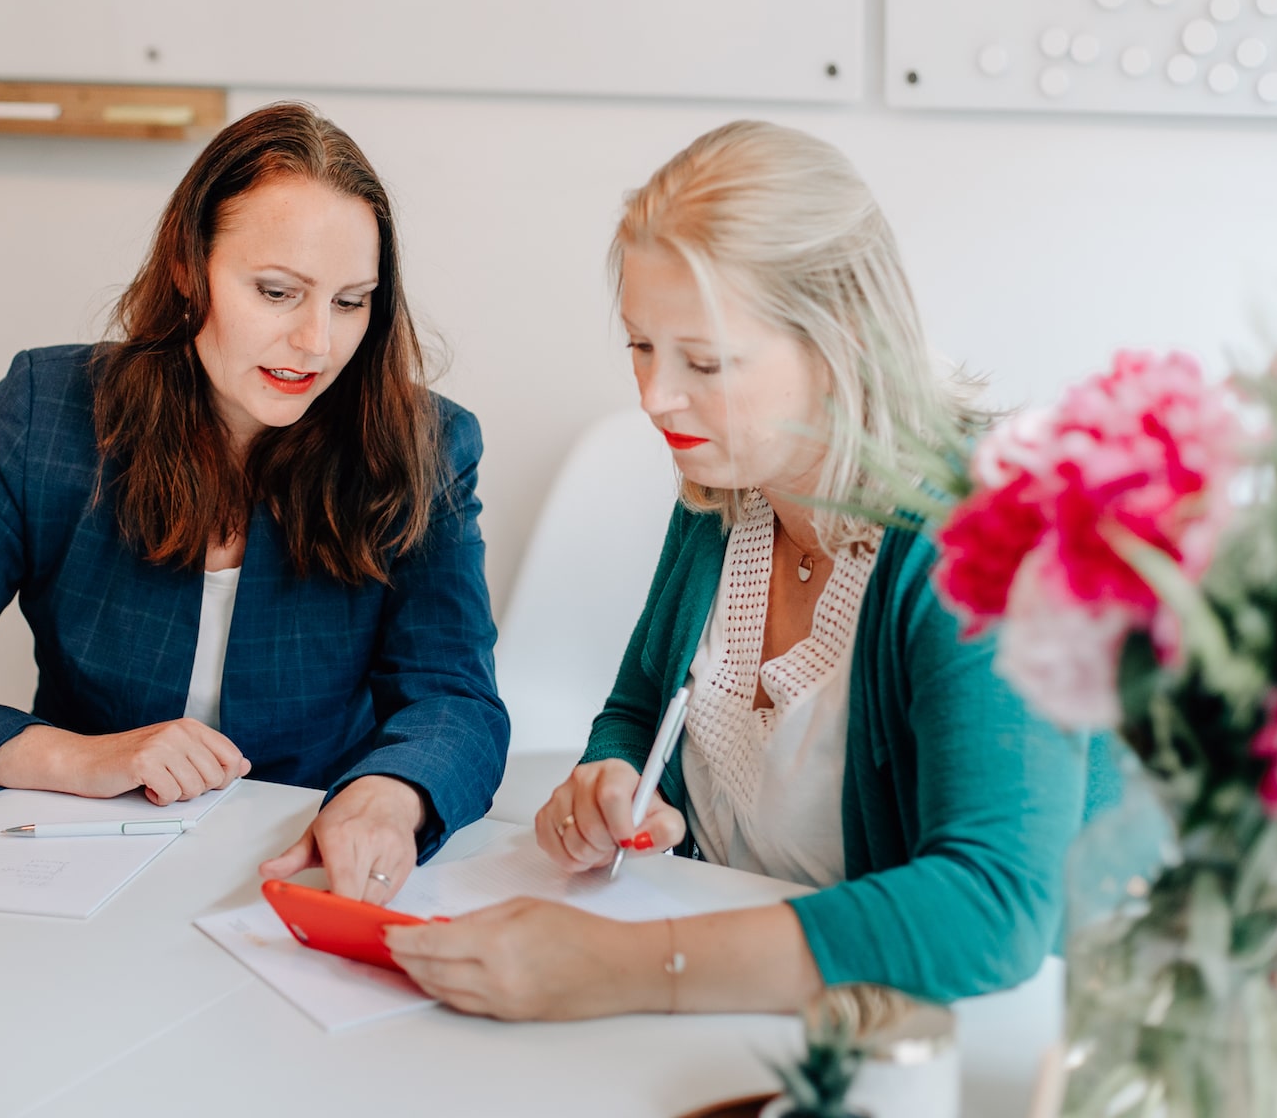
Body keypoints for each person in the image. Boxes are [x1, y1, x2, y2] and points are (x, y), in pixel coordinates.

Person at [385, 120, 1116, 1016]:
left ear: (840, 343)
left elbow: (992, 909)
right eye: (640, 347)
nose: (656, 397)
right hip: (755, 994)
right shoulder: (729, 481)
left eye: (705, 361)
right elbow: (636, 712)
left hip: (982, 1029)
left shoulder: (991, 540)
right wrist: (613, 782)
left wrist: (627, 968)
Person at [0, 102, 507, 903]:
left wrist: (383, 798)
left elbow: (457, 702)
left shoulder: (423, 444)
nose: (318, 343)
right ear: (187, 268)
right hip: (81, 860)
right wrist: (73, 756)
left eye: (351, 302)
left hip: (297, 863)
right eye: (278, 292)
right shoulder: (50, 413)